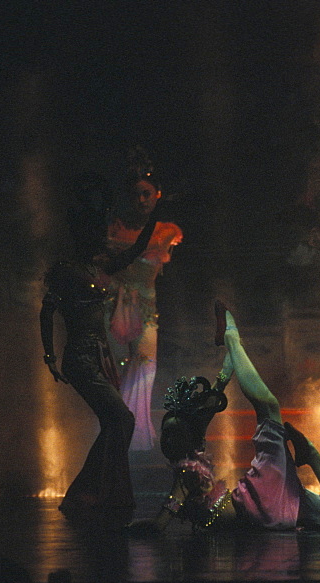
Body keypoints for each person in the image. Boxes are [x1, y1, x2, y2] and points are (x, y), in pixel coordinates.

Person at [131, 307, 320, 533]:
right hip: (261, 506)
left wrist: (225, 373)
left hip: (263, 505)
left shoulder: (191, 462)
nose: (167, 441)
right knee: (269, 409)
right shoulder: (187, 472)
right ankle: (231, 337)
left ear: (190, 439)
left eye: (173, 434)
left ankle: (311, 454)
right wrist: (135, 529)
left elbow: (210, 404)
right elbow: (162, 522)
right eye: (166, 435)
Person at [40, 172, 157, 523]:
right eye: (95, 230)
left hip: (100, 356)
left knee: (115, 423)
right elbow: (47, 311)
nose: (102, 235)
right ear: (82, 234)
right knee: (122, 419)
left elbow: (136, 251)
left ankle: (96, 495)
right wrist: (49, 356)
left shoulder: (98, 266)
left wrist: (156, 215)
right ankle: (90, 492)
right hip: (79, 358)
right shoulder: (66, 270)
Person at [106, 147, 183, 452]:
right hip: (114, 305)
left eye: (146, 194)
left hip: (147, 309)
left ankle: (136, 434)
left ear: (157, 195)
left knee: (145, 368)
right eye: (136, 194)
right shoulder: (114, 229)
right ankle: (114, 428)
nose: (141, 200)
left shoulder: (167, 231)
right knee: (117, 367)